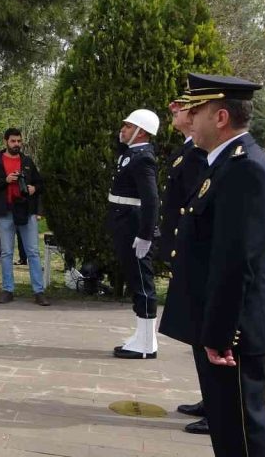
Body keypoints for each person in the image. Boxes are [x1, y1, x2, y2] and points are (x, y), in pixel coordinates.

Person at [160, 73, 265, 457]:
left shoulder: (244, 168)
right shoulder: (224, 163)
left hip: (235, 332)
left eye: (196, 110)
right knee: (228, 432)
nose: (189, 117)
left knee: (241, 437)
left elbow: (237, 260)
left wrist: (220, 334)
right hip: (221, 323)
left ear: (220, 117)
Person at [158, 97, 210, 433]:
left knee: (206, 332)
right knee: (198, 333)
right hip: (184, 251)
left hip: (195, 253)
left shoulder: (200, 154)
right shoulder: (187, 151)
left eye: (181, 107)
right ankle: (210, 397)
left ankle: (217, 404)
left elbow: (195, 206)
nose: (174, 112)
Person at [108, 108, 160, 360]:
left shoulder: (143, 158)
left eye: (128, 126)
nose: (123, 129)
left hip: (133, 224)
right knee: (135, 277)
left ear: (141, 132)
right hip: (124, 221)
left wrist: (145, 234)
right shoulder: (131, 153)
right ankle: (142, 335)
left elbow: (151, 200)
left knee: (141, 279)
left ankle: (147, 343)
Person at [0, 128, 49, 306]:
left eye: (19, 141)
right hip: (5, 212)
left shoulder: (27, 161)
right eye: (13, 141)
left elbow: (40, 183)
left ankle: (39, 291)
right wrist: (5, 180)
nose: (16, 144)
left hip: (26, 211)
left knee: (33, 252)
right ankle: (7, 289)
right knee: (6, 252)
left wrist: (34, 188)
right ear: (6, 141)